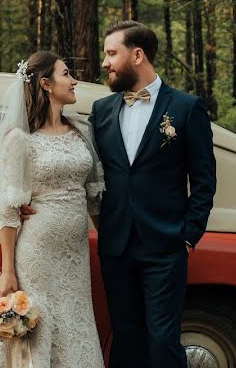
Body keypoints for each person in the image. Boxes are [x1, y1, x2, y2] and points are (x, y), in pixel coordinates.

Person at [86, 20, 216, 367]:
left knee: (162, 340)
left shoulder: (187, 108)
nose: (105, 62)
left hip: (165, 246)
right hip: (116, 247)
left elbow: (204, 180)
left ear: (138, 54)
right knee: (126, 340)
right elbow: (88, 175)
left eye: (112, 53)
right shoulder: (101, 112)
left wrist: (188, 236)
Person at [0, 50, 104, 367]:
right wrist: (7, 270)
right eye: (67, 74)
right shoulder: (19, 139)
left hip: (76, 254)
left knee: (75, 324)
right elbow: (10, 210)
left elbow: (94, 197)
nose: (74, 80)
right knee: (38, 328)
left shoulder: (81, 132)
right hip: (38, 252)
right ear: (46, 83)